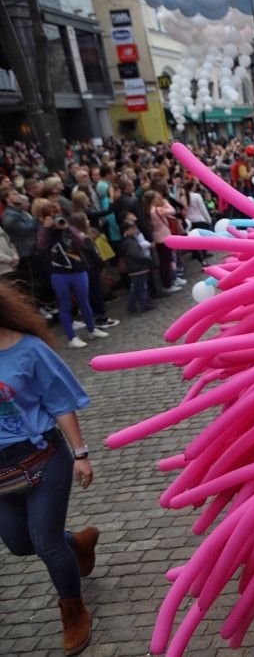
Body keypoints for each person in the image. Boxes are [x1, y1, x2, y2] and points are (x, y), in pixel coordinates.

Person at [0, 282, 98, 655]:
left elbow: (59, 401)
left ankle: (73, 612)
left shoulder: (29, 349)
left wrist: (80, 453)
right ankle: (79, 542)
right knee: (19, 543)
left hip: (42, 457)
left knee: (45, 541)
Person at [35, 202, 110, 349]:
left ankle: (92, 329)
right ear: (43, 218)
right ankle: (71, 337)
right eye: (50, 215)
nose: (54, 217)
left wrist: (67, 227)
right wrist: (46, 228)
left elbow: (82, 242)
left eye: (56, 213)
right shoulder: (43, 232)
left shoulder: (68, 228)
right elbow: (41, 248)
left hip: (78, 269)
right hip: (59, 273)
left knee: (84, 301)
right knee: (65, 305)